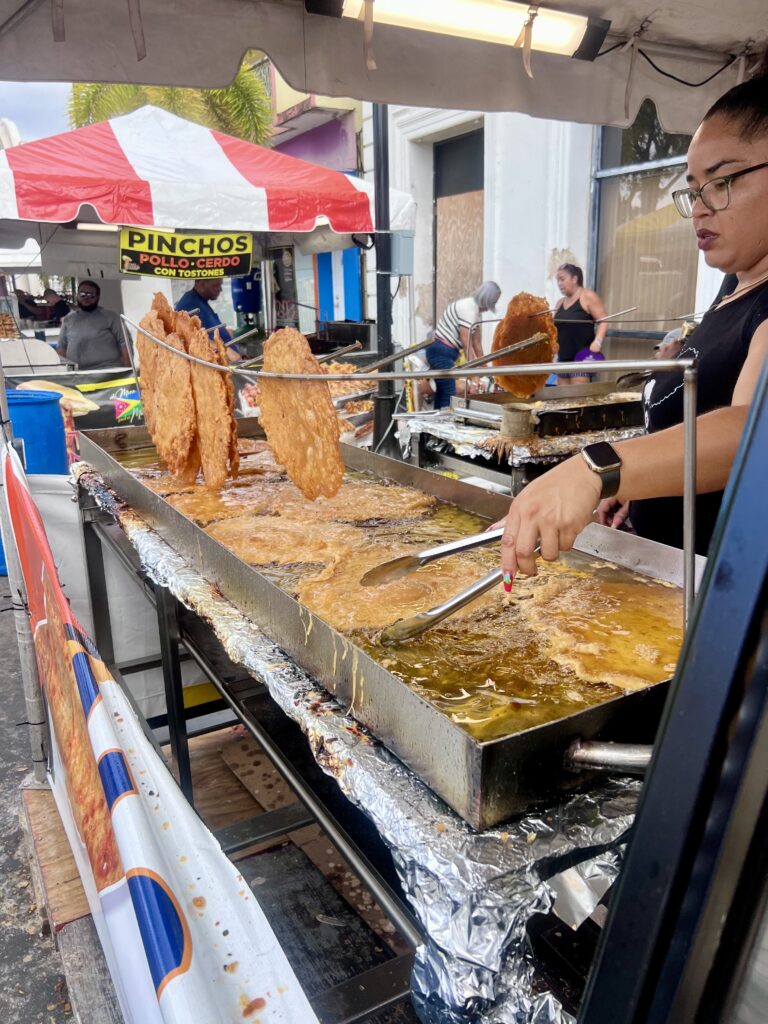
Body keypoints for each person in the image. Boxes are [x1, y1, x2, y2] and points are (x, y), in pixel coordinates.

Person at [496, 53, 768, 582]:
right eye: (693, 188)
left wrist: (598, 469)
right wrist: (638, 488)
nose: (700, 206)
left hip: (721, 592)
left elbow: (747, 432)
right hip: (667, 575)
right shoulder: (735, 285)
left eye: (722, 182)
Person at [425, 281, 501, 409]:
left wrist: (486, 370)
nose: (492, 305)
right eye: (493, 302)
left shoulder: (476, 313)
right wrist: (475, 377)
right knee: (449, 391)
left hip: (445, 353)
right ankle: (445, 418)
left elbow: (477, 344)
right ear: (487, 298)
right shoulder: (468, 309)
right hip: (440, 351)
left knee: (442, 391)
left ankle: (438, 415)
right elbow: (467, 346)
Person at [553, 264, 609, 384]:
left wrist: (598, 341)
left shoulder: (588, 297)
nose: (559, 284)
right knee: (562, 395)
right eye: (558, 280)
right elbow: (554, 328)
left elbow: (603, 320)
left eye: (562, 279)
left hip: (582, 356)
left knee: (577, 395)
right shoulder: (559, 303)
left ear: (574, 279)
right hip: (563, 356)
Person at [57, 281, 129, 370]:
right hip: (77, 373)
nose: (86, 298)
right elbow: (61, 347)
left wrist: (128, 370)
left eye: (91, 295)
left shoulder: (111, 317)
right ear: (77, 295)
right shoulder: (68, 319)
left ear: (98, 297)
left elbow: (125, 343)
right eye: (82, 294)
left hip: (108, 370)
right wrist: (61, 371)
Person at [175, 279, 242, 363]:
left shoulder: (201, 301)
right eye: (216, 285)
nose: (220, 289)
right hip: (219, 363)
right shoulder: (189, 305)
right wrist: (226, 350)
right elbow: (191, 337)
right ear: (202, 284)